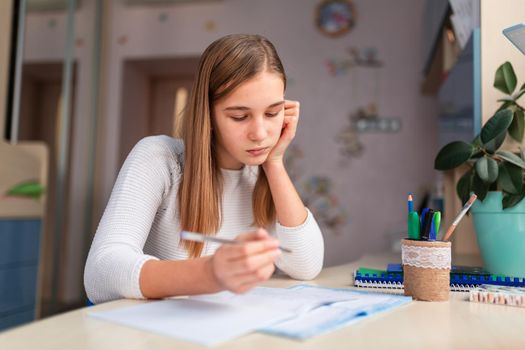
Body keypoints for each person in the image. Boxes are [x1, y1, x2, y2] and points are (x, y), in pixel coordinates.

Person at [84, 34, 324, 304]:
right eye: (239, 116)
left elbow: (307, 266)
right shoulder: (161, 158)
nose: (260, 133)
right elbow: (100, 274)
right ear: (207, 114)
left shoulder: (259, 174)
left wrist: (275, 163)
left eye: (272, 113)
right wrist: (210, 273)